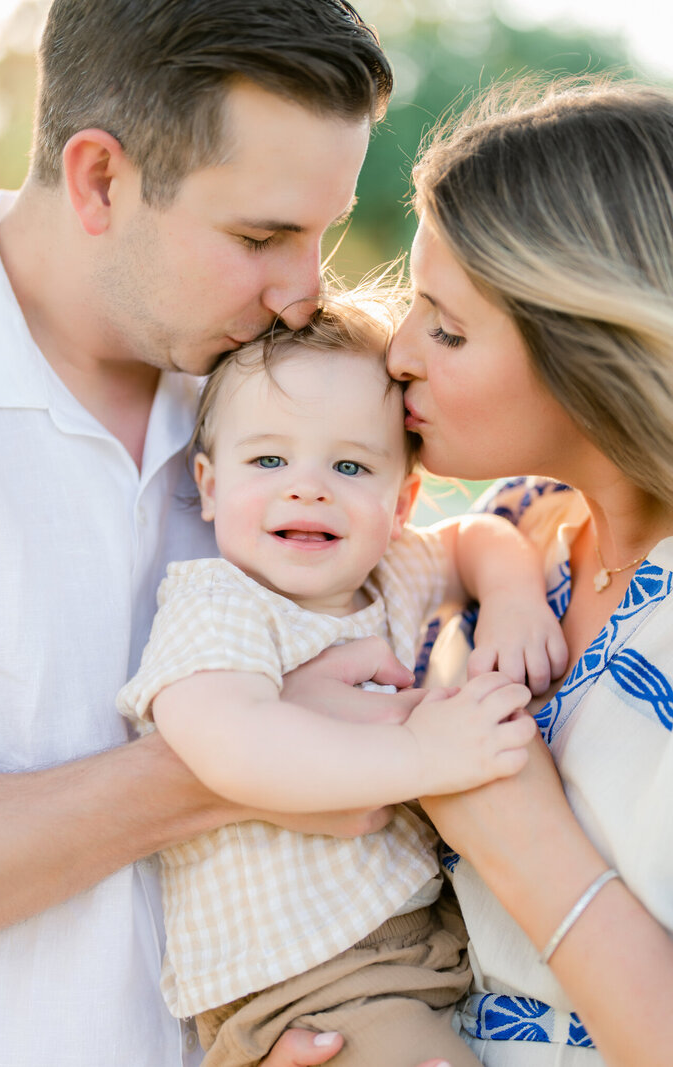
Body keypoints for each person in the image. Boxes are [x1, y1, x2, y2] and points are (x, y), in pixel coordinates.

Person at [0, 2, 412, 1064]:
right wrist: (245, 758)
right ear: (99, 179)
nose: (303, 289)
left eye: (322, 232)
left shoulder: (286, 402)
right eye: (259, 236)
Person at [116, 296, 565, 1067]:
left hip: (414, 949)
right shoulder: (219, 602)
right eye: (268, 460)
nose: (308, 487)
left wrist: (516, 599)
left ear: (401, 504)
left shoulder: (390, 573)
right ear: (210, 483)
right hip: (304, 981)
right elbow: (232, 744)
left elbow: (476, 538)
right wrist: (424, 756)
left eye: (350, 465)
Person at [375, 76, 673, 1067]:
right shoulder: (506, 542)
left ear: (589, 343)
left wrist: (521, 837)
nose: (396, 353)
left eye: (445, 327)